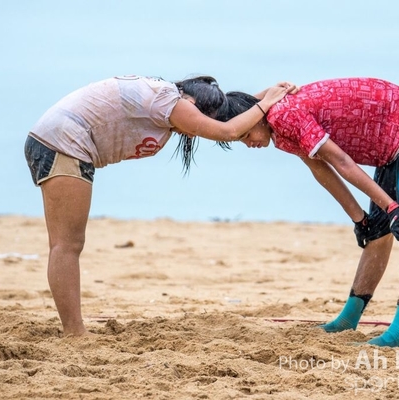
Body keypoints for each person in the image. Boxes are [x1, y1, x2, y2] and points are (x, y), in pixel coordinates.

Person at [24, 74, 294, 337]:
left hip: (61, 141)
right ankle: (74, 332)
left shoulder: (169, 101)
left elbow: (224, 112)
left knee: (67, 244)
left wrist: (262, 94)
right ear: (192, 104)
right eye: (198, 117)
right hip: (62, 142)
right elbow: (228, 130)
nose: (196, 127)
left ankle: (74, 329)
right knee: (67, 245)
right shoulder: (173, 102)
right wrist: (266, 102)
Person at [216, 77, 399, 347]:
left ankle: (398, 332)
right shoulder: (277, 130)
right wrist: (359, 218)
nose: (248, 144)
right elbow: (321, 168)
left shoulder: (284, 115)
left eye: (245, 135)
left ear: (256, 117)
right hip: (390, 144)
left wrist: (392, 208)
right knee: (377, 232)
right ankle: (348, 320)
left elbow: (342, 161)